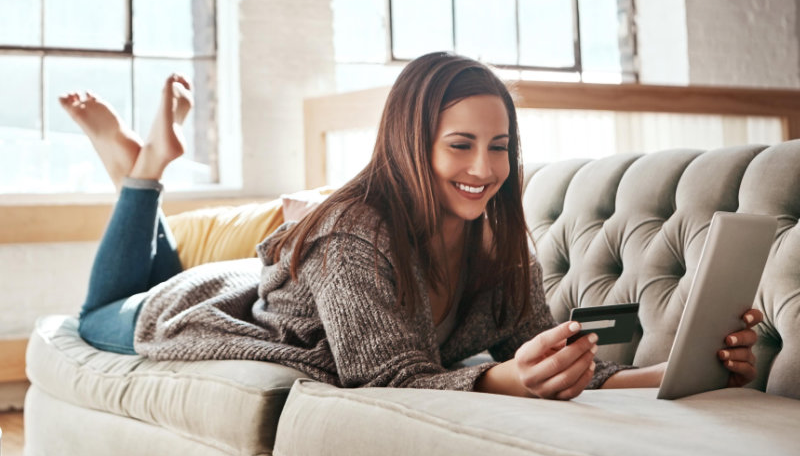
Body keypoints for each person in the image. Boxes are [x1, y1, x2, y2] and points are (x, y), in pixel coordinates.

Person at [61, 53, 762, 400]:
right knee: (94, 312)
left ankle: (134, 171)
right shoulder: (352, 230)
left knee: (145, 265)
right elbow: (387, 378)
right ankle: (143, 172)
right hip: (206, 310)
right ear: (410, 140)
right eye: (460, 145)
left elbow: (534, 350)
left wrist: (673, 374)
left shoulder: (499, 236)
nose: (484, 168)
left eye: (500, 146)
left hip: (269, 284)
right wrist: (502, 382)